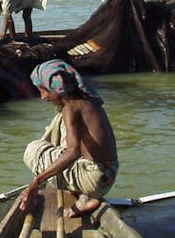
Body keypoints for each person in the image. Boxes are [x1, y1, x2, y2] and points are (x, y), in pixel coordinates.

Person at [21, 59, 118, 217]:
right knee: (59, 121)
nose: (42, 97)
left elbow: (73, 152)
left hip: (93, 179)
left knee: (33, 150)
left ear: (56, 89)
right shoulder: (89, 102)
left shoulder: (71, 109)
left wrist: (36, 182)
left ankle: (85, 191)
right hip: (108, 174)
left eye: (43, 91)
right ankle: (85, 195)